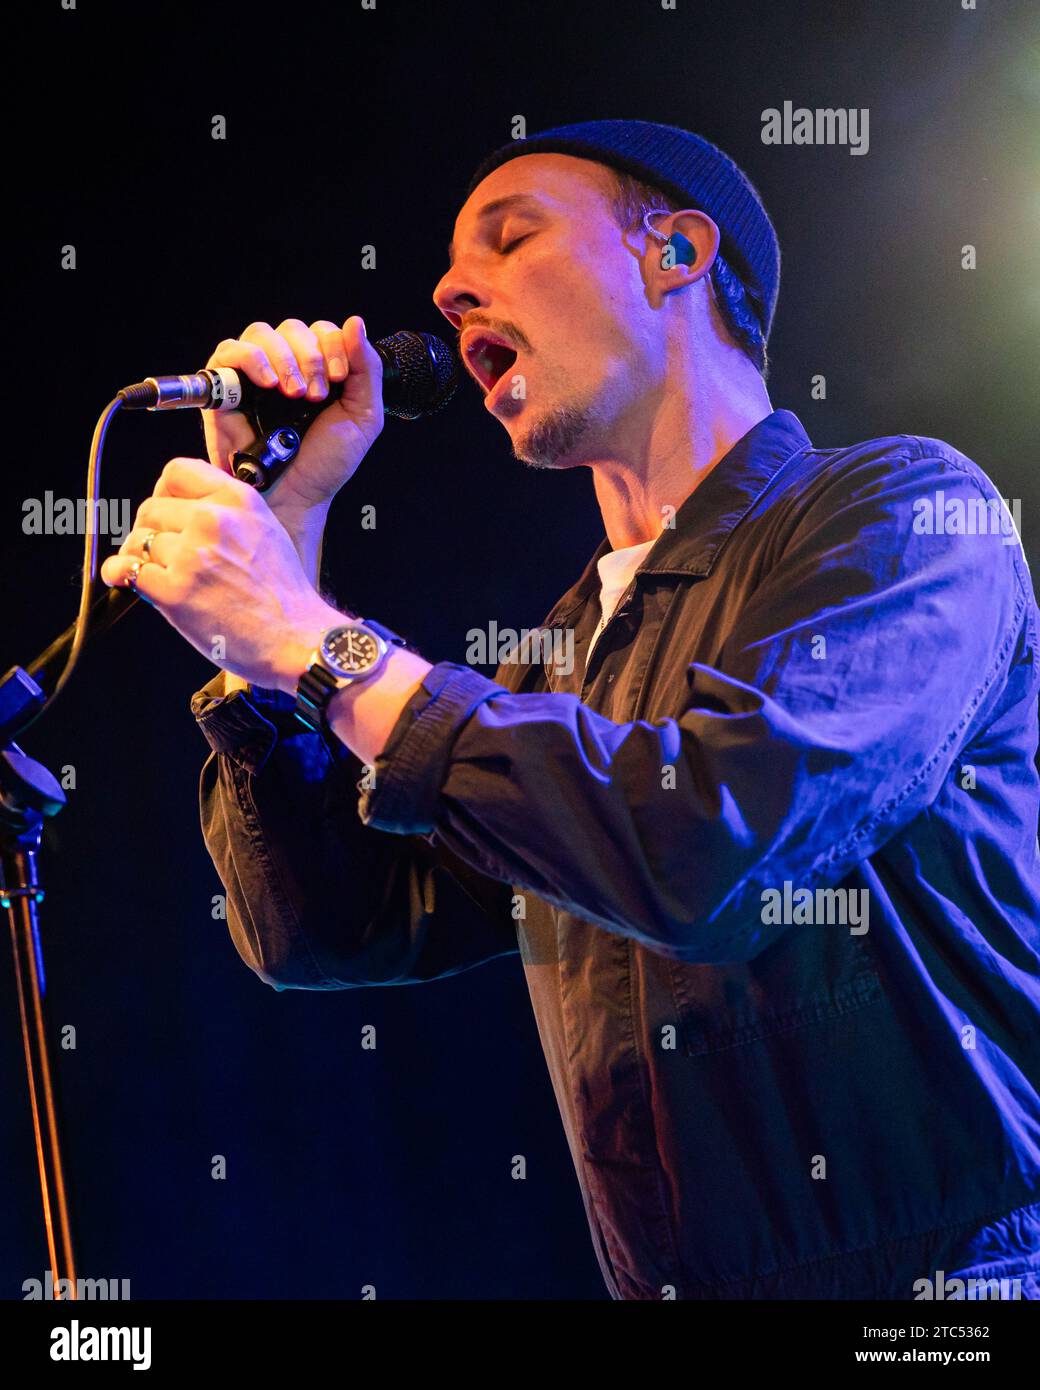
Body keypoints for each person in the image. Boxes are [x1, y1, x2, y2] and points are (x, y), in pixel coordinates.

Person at [101, 120, 1040, 1300]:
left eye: (512, 234)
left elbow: (713, 842)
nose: (447, 290)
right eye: (450, 268)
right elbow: (323, 931)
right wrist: (277, 565)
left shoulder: (903, 514)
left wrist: (310, 637)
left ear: (674, 253)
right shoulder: (562, 665)